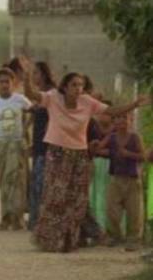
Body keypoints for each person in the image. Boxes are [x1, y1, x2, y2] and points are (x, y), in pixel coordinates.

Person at [21, 58, 149, 252]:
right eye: (74, 85)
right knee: (56, 196)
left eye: (81, 85)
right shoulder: (53, 97)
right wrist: (28, 75)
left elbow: (112, 110)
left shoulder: (87, 102)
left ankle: (69, 240)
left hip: (80, 156)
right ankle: (50, 239)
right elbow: (31, 94)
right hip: (57, 154)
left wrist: (134, 104)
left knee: (77, 199)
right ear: (64, 87)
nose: (78, 88)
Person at [0, 68, 31, 230]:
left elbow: (33, 113)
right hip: (0, 145)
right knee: (4, 181)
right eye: (1, 81)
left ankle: (17, 218)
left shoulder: (20, 100)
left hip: (17, 144)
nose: (4, 85)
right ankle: (6, 217)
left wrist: (26, 130)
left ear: (13, 83)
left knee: (18, 181)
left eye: (7, 81)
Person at [96, 112, 145, 251]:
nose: (121, 121)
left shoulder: (135, 137)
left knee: (134, 211)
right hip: (116, 178)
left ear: (131, 120)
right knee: (112, 209)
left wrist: (129, 154)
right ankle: (115, 236)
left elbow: (143, 156)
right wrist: (96, 146)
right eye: (118, 117)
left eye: (125, 118)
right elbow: (100, 148)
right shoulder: (111, 137)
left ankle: (133, 239)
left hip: (132, 179)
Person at [28, 61, 56, 230]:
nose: (34, 77)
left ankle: (43, 222)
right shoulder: (41, 95)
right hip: (39, 145)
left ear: (44, 74)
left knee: (43, 185)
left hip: (49, 147)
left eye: (36, 73)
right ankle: (38, 221)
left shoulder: (52, 94)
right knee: (37, 184)